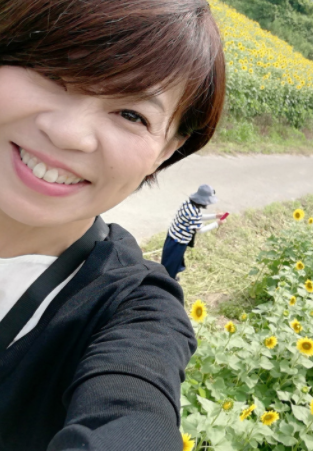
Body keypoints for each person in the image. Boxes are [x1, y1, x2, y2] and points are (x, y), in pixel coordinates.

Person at [0, 0, 226, 450]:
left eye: (131, 115)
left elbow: (132, 416)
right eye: (51, 72)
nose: (69, 134)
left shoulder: (133, 312)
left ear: (167, 151)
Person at [161, 184, 227, 280]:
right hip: (178, 241)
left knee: (172, 260)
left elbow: (198, 217)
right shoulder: (192, 213)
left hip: (173, 235)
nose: (207, 204)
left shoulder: (189, 204)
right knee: (171, 261)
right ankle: (167, 280)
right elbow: (200, 230)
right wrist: (217, 223)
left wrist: (215, 216)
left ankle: (170, 276)